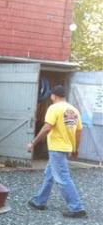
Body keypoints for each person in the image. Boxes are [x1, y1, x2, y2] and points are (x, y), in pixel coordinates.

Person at [27, 85, 87, 218]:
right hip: (65, 148)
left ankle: (77, 208)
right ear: (64, 96)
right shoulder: (74, 110)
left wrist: (33, 143)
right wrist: (76, 149)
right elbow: (79, 131)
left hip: (57, 148)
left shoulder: (54, 108)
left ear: (53, 96)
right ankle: (39, 201)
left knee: (63, 178)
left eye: (51, 95)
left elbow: (47, 127)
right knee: (50, 174)